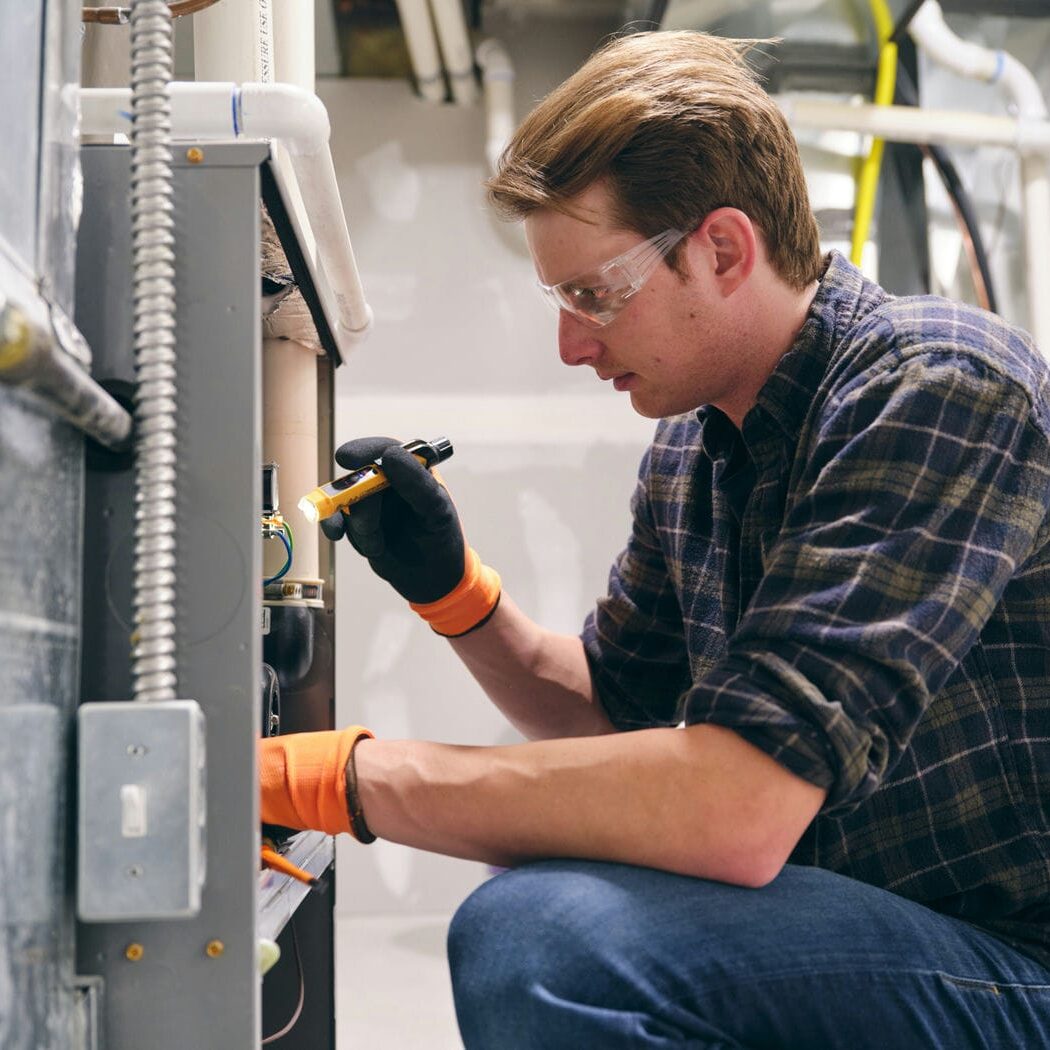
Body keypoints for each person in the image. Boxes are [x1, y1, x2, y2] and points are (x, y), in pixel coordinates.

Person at [260, 29, 1050, 1048]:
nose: (570, 342)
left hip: (1016, 965)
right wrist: (456, 595)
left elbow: (734, 805)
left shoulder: (937, 386)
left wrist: (331, 779)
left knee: (545, 936)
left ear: (722, 249)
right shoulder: (693, 449)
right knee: (550, 891)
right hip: (882, 934)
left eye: (593, 294)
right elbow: (609, 714)